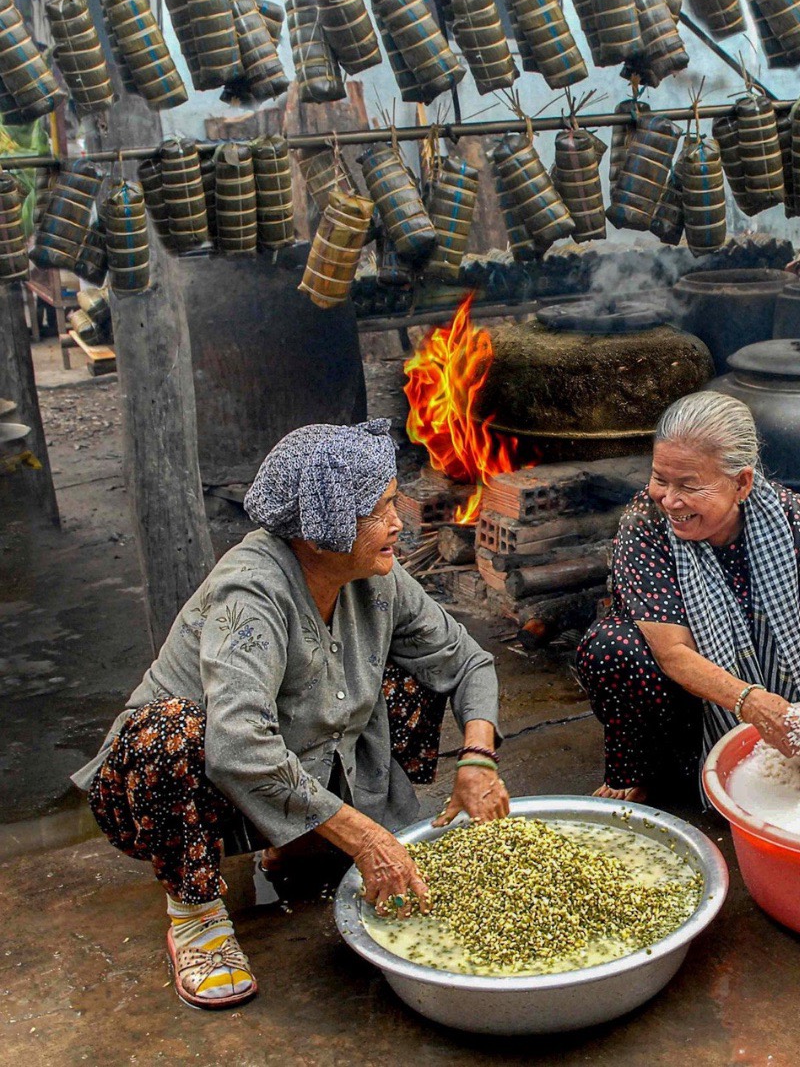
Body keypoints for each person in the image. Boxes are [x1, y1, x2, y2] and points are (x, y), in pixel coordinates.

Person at [72, 422, 509, 1010]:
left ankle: (302, 841)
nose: (399, 524)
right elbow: (238, 747)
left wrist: (478, 757)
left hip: (304, 758)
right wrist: (365, 838)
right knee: (169, 735)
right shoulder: (252, 594)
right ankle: (196, 917)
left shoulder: (377, 581)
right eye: (379, 511)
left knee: (413, 672)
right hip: (193, 789)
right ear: (324, 528)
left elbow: (467, 662)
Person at [576, 391, 800, 803]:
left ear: (741, 482)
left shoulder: (788, 516)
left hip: (788, 674)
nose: (670, 500)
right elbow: (673, 653)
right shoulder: (645, 525)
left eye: (689, 486)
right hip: (687, 702)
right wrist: (752, 704)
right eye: (660, 479)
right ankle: (655, 772)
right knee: (613, 648)